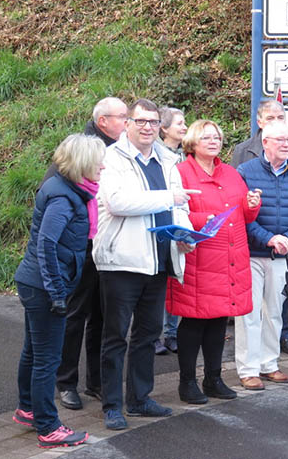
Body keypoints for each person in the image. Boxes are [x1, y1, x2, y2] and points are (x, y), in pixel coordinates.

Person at [92, 99, 195, 430]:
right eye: (141, 121)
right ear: (128, 125)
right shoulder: (112, 158)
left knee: (148, 333)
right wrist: (169, 199)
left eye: (153, 122)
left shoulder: (168, 160)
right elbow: (119, 202)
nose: (147, 127)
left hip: (159, 260)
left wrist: (186, 233)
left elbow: (181, 204)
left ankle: (139, 398)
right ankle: (112, 405)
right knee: (115, 336)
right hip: (122, 261)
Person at [12, 133, 105, 448]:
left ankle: (28, 409)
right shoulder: (65, 197)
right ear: (83, 165)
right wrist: (56, 293)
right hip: (44, 286)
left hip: (33, 281)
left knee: (33, 352)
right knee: (47, 360)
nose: (103, 167)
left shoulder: (67, 188)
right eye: (98, 163)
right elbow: (47, 245)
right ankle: (48, 427)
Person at [166, 119, 261, 404]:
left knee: (219, 321)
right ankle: (187, 383)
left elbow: (241, 214)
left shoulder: (231, 173)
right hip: (199, 256)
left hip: (230, 258)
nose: (213, 141)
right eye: (206, 137)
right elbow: (173, 212)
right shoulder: (180, 173)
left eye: (217, 137)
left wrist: (251, 205)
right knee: (194, 321)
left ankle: (214, 378)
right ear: (193, 142)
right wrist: (199, 219)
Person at [54, 97, 128, 412]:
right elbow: (59, 198)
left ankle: (96, 382)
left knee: (103, 315)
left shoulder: (122, 151)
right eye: (123, 117)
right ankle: (66, 382)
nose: (128, 122)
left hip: (108, 246)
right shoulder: (83, 150)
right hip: (82, 249)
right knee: (76, 315)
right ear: (103, 122)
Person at [234, 121, 288, 390]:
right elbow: (240, 214)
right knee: (249, 313)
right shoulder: (245, 171)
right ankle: (248, 369)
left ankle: (270, 364)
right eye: (280, 140)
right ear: (265, 143)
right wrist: (268, 238)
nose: (286, 144)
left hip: (284, 256)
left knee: (274, 313)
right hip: (252, 253)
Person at [154, 106, 189, 355]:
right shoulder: (156, 156)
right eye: (179, 123)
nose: (184, 127)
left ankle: (171, 333)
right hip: (161, 221)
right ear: (164, 128)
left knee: (177, 280)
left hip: (182, 218)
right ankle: (154, 334)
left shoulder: (186, 156)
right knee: (159, 282)